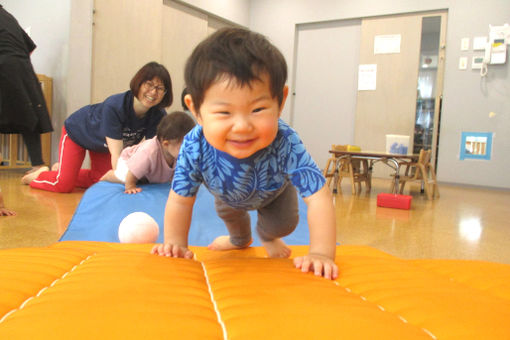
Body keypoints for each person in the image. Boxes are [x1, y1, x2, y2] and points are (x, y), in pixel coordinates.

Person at [152, 28, 338, 280]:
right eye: (224, 113)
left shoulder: (286, 141)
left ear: (280, 101)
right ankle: (239, 239)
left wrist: (322, 253)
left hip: (274, 195)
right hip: (226, 194)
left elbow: (318, 197)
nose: (242, 126)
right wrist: (175, 244)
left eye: (258, 109)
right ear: (195, 109)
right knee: (230, 214)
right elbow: (180, 200)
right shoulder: (194, 145)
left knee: (284, 224)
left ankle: (267, 235)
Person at [23, 61, 173, 193]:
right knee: (63, 185)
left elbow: (154, 150)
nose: (153, 92)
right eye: (149, 85)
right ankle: (38, 176)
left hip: (102, 146)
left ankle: (62, 170)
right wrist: (125, 183)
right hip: (79, 133)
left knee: (100, 180)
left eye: (160, 88)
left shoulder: (158, 114)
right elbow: (117, 154)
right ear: (139, 83)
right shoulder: (115, 106)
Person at [0, 5, 53, 175]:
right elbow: (29, 47)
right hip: (23, 67)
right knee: (27, 114)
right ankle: (38, 164)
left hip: (5, 64)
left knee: (24, 114)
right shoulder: (8, 17)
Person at [100, 111, 195, 193]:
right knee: (125, 176)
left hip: (148, 171)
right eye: (184, 147)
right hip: (129, 162)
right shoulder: (149, 152)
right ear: (166, 144)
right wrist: (130, 186)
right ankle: (110, 176)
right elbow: (133, 171)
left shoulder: (174, 151)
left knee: (147, 178)